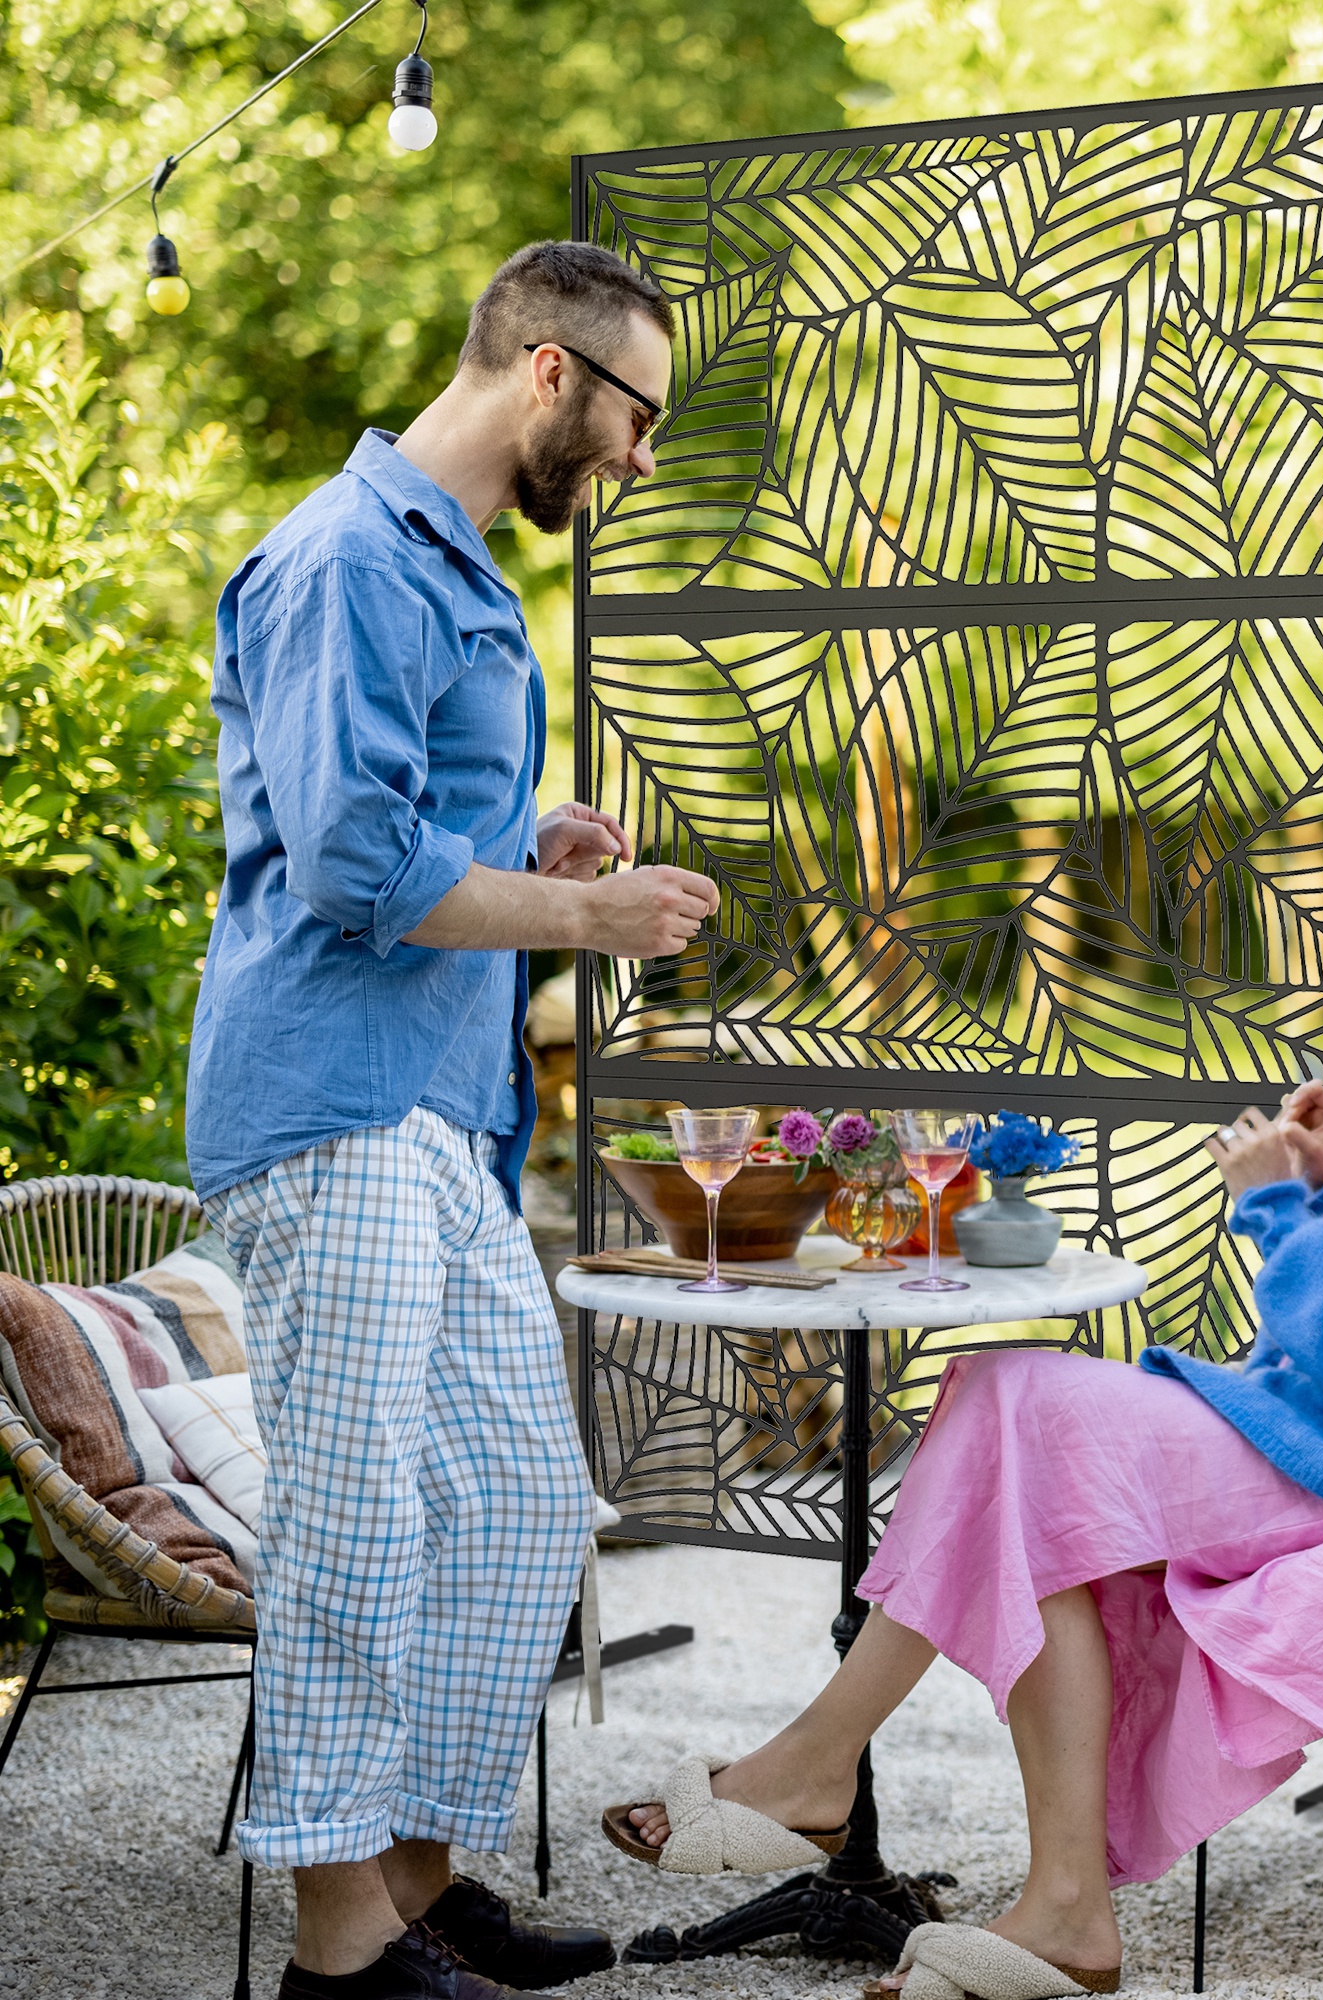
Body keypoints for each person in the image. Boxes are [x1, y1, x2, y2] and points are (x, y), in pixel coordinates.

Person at [604, 796, 1323, 2000]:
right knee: (1021, 1454)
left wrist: (1272, 1208)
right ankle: (1052, 1905)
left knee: (1010, 1410)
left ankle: (822, 1775)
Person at [188, 241, 720, 2000]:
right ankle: (341, 1959)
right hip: (333, 1101)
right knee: (357, 1520)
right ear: (553, 372)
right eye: (641, 414)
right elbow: (348, 865)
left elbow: (401, 826)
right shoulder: (350, 555)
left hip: (433, 1115)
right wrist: (584, 919)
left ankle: (410, 1890)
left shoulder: (451, 569)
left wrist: (529, 852)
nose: (641, 458)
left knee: (512, 1504)